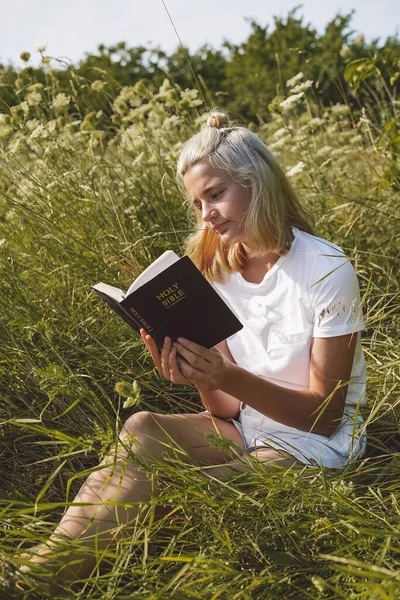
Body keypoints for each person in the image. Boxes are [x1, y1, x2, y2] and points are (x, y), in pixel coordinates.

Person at [19, 111, 366, 583]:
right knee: (142, 427)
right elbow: (226, 410)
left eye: (216, 194)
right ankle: (39, 570)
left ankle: (51, 580)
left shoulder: (326, 268)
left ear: (256, 183)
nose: (206, 215)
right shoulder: (216, 267)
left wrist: (226, 376)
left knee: (191, 494)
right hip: (248, 430)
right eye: (198, 203)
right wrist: (200, 376)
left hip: (315, 445)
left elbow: (325, 415)